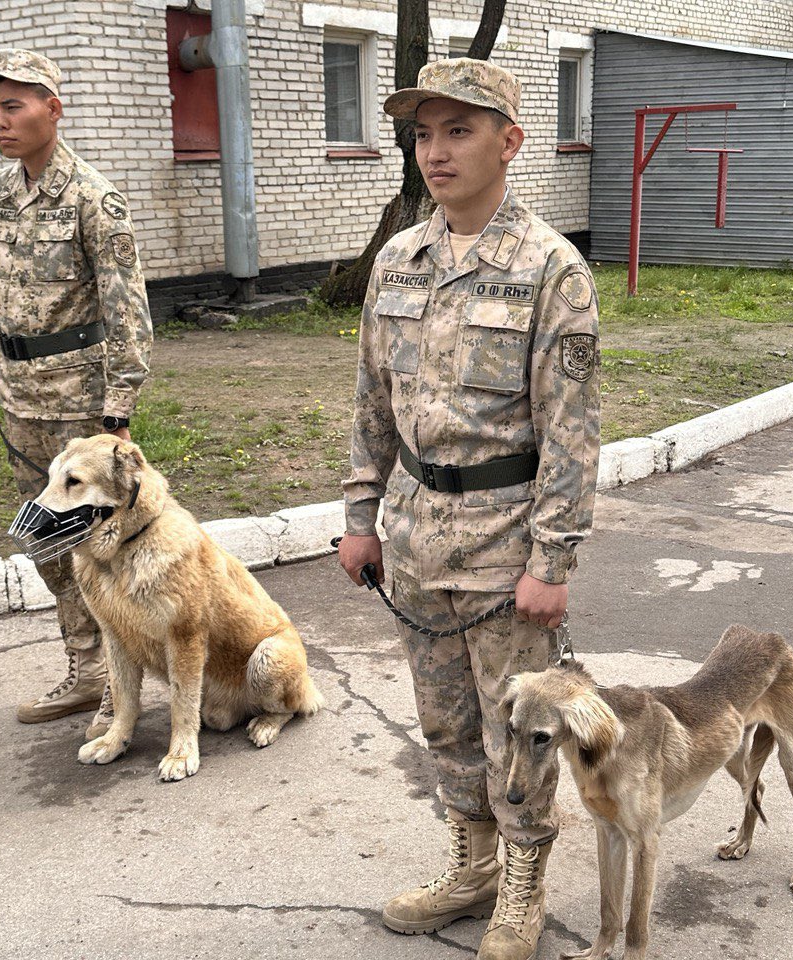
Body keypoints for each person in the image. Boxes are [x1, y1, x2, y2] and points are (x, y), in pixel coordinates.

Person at [339, 58, 601, 960]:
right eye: (422, 133)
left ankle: (522, 885)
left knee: (517, 731)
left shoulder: (552, 269)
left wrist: (551, 563)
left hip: (502, 548)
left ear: (510, 142)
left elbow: (572, 433)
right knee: (446, 723)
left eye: (458, 130)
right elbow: (371, 400)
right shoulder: (398, 259)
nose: (435, 151)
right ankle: (471, 866)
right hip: (412, 539)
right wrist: (360, 515)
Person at [0, 49, 153, 738]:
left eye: (13, 106)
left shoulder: (95, 198)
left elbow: (129, 310)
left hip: (81, 404)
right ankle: (86, 668)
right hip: (19, 401)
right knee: (43, 544)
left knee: (100, 548)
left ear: (53, 109)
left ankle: (119, 684)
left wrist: (119, 412)